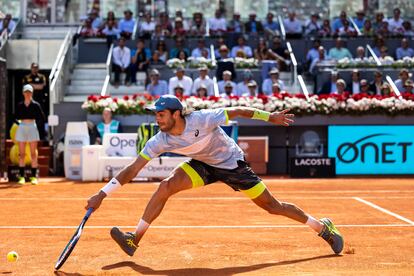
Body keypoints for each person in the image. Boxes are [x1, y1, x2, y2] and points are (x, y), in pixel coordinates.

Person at [85, 95, 344, 257]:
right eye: (155, 114)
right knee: (165, 186)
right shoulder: (160, 139)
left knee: (273, 207)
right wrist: (102, 194)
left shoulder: (203, 119)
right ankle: (134, 240)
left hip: (232, 164)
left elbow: (240, 110)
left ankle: (323, 228)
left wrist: (271, 117)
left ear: (176, 113)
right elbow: (133, 169)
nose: (157, 119)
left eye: (161, 114)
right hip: (202, 164)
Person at [14, 85, 45, 185]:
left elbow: (41, 117)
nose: (28, 94)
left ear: (32, 93)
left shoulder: (36, 105)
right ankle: (22, 177)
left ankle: (33, 177)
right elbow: (14, 117)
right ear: (23, 93)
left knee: (33, 153)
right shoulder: (19, 105)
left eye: (29, 92)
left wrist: (35, 126)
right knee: (21, 154)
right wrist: (20, 124)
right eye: (26, 92)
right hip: (22, 126)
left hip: (32, 126)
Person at [22, 62, 48, 130]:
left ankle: (42, 133)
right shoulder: (27, 77)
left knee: (41, 116)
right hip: (30, 101)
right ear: (31, 68)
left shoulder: (41, 77)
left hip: (40, 100)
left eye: (36, 67)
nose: (35, 69)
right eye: (33, 67)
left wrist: (32, 85)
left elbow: (41, 86)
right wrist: (35, 86)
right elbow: (26, 87)